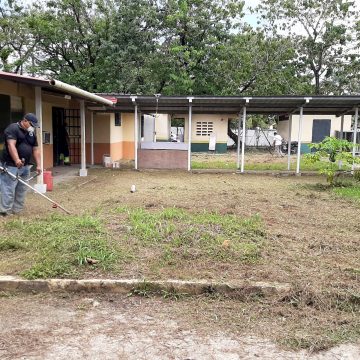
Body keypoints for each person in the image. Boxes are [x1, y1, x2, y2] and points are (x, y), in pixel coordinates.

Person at [0, 113, 42, 216]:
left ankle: (17, 210)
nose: (33, 127)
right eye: (32, 124)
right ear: (25, 121)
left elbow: (35, 149)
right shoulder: (13, 128)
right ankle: (5, 211)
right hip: (11, 165)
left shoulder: (31, 133)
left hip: (25, 166)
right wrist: (16, 159)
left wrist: (39, 165)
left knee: (22, 188)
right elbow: (11, 145)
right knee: (8, 187)